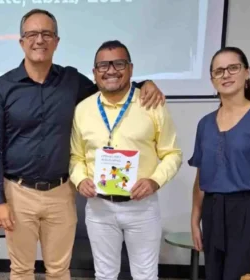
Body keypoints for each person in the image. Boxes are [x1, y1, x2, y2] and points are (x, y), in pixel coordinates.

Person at [0, 8, 166, 280]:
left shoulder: (72, 81)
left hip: (61, 192)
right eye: (31, 34)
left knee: (59, 270)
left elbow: (110, 86)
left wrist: (144, 83)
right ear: (21, 42)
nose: (39, 40)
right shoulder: (1, 88)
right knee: (21, 270)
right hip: (17, 193)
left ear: (56, 41)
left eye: (46, 33)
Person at [69, 40, 182, 280]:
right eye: (103, 65)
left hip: (141, 206)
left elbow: (173, 153)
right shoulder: (83, 109)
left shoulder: (151, 104)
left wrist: (154, 181)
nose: (110, 70)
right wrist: (80, 180)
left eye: (118, 63)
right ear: (94, 72)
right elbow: (76, 156)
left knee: (145, 274)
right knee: (105, 274)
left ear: (130, 68)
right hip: (99, 208)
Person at [189, 46, 250, 280]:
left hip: (249, 211)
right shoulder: (205, 124)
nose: (225, 75)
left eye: (233, 68)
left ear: (247, 72)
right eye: (218, 71)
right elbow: (201, 177)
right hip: (213, 210)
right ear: (211, 79)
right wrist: (195, 219)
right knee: (214, 275)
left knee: (239, 275)